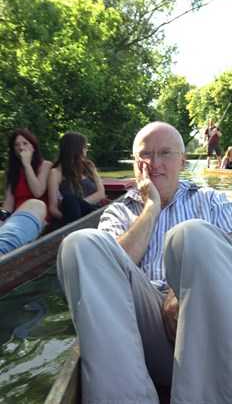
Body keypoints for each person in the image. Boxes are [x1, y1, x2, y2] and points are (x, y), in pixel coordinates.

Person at [57, 121, 232, 404]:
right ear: (136, 163)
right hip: (145, 341)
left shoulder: (212, 200)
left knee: (192, 234)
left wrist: (181, 287)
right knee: (80, 244)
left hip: (211, 337)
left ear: (183, 160)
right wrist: (151, 206)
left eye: (165, 153)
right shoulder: (119, 211)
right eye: (146, 155)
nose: (154, 163)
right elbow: (108, 271)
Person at [48, 131, 105, 230]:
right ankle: (76, 228)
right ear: (75, 150)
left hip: (92, 212)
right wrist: (69, 215)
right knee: (69, 200)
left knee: (72, 201)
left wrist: (78, 205)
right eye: (84, 147)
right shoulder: (56, 173)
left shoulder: (89, 167)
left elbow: (101, 193)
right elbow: (53, 208)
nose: (86, 150)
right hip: (70, 217)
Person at [1, 128, 52, 224]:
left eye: (25, 143)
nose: (21, 148)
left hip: (38, 216)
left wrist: (27, 165)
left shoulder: (45, 166)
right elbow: (9, 203)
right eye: (16, 145)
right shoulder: (11, 173)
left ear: (33, 147)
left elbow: (38, 192)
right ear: (13, 150)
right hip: (16, 217)